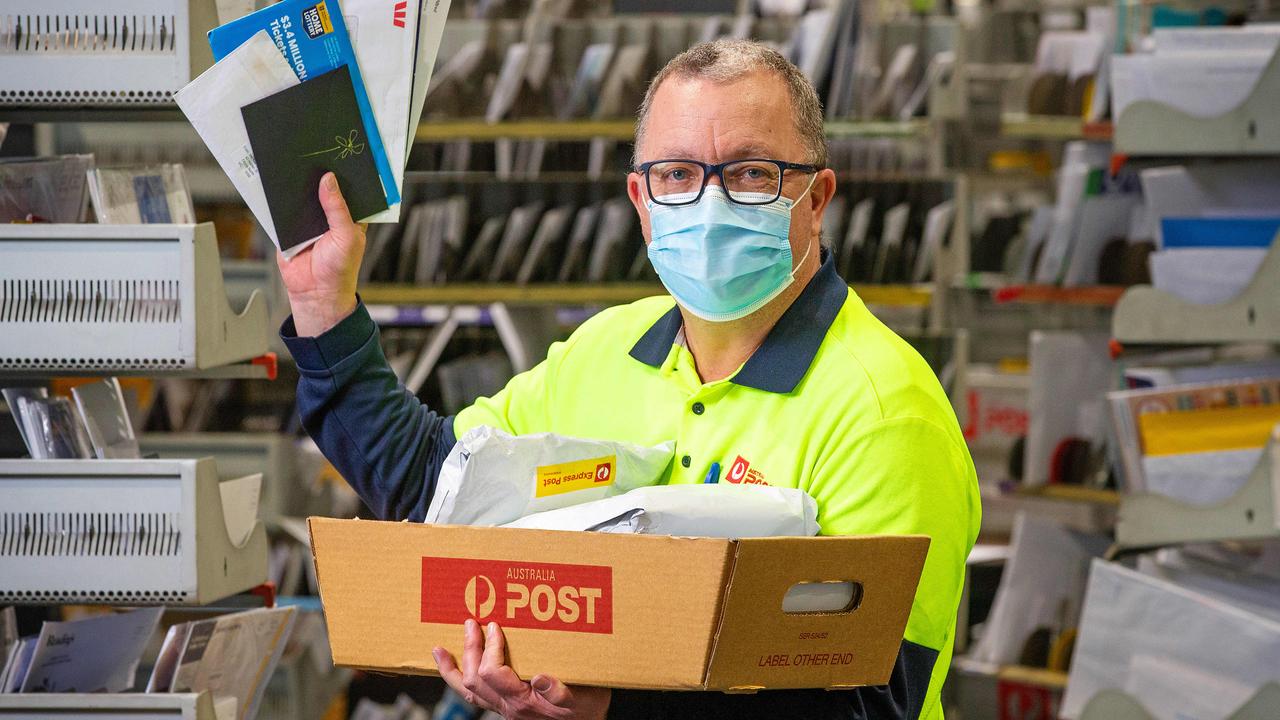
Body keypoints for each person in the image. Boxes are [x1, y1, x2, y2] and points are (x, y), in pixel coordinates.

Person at [279, 39, 979, 720]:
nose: (709, 204)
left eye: (751, 173)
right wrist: (323, 308)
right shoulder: (605, 349)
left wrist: (615, 710)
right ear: (640, 201)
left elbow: (873, 703)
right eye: (676, 174)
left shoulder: (885, 413)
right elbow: (433, 484)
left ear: (818, 197)